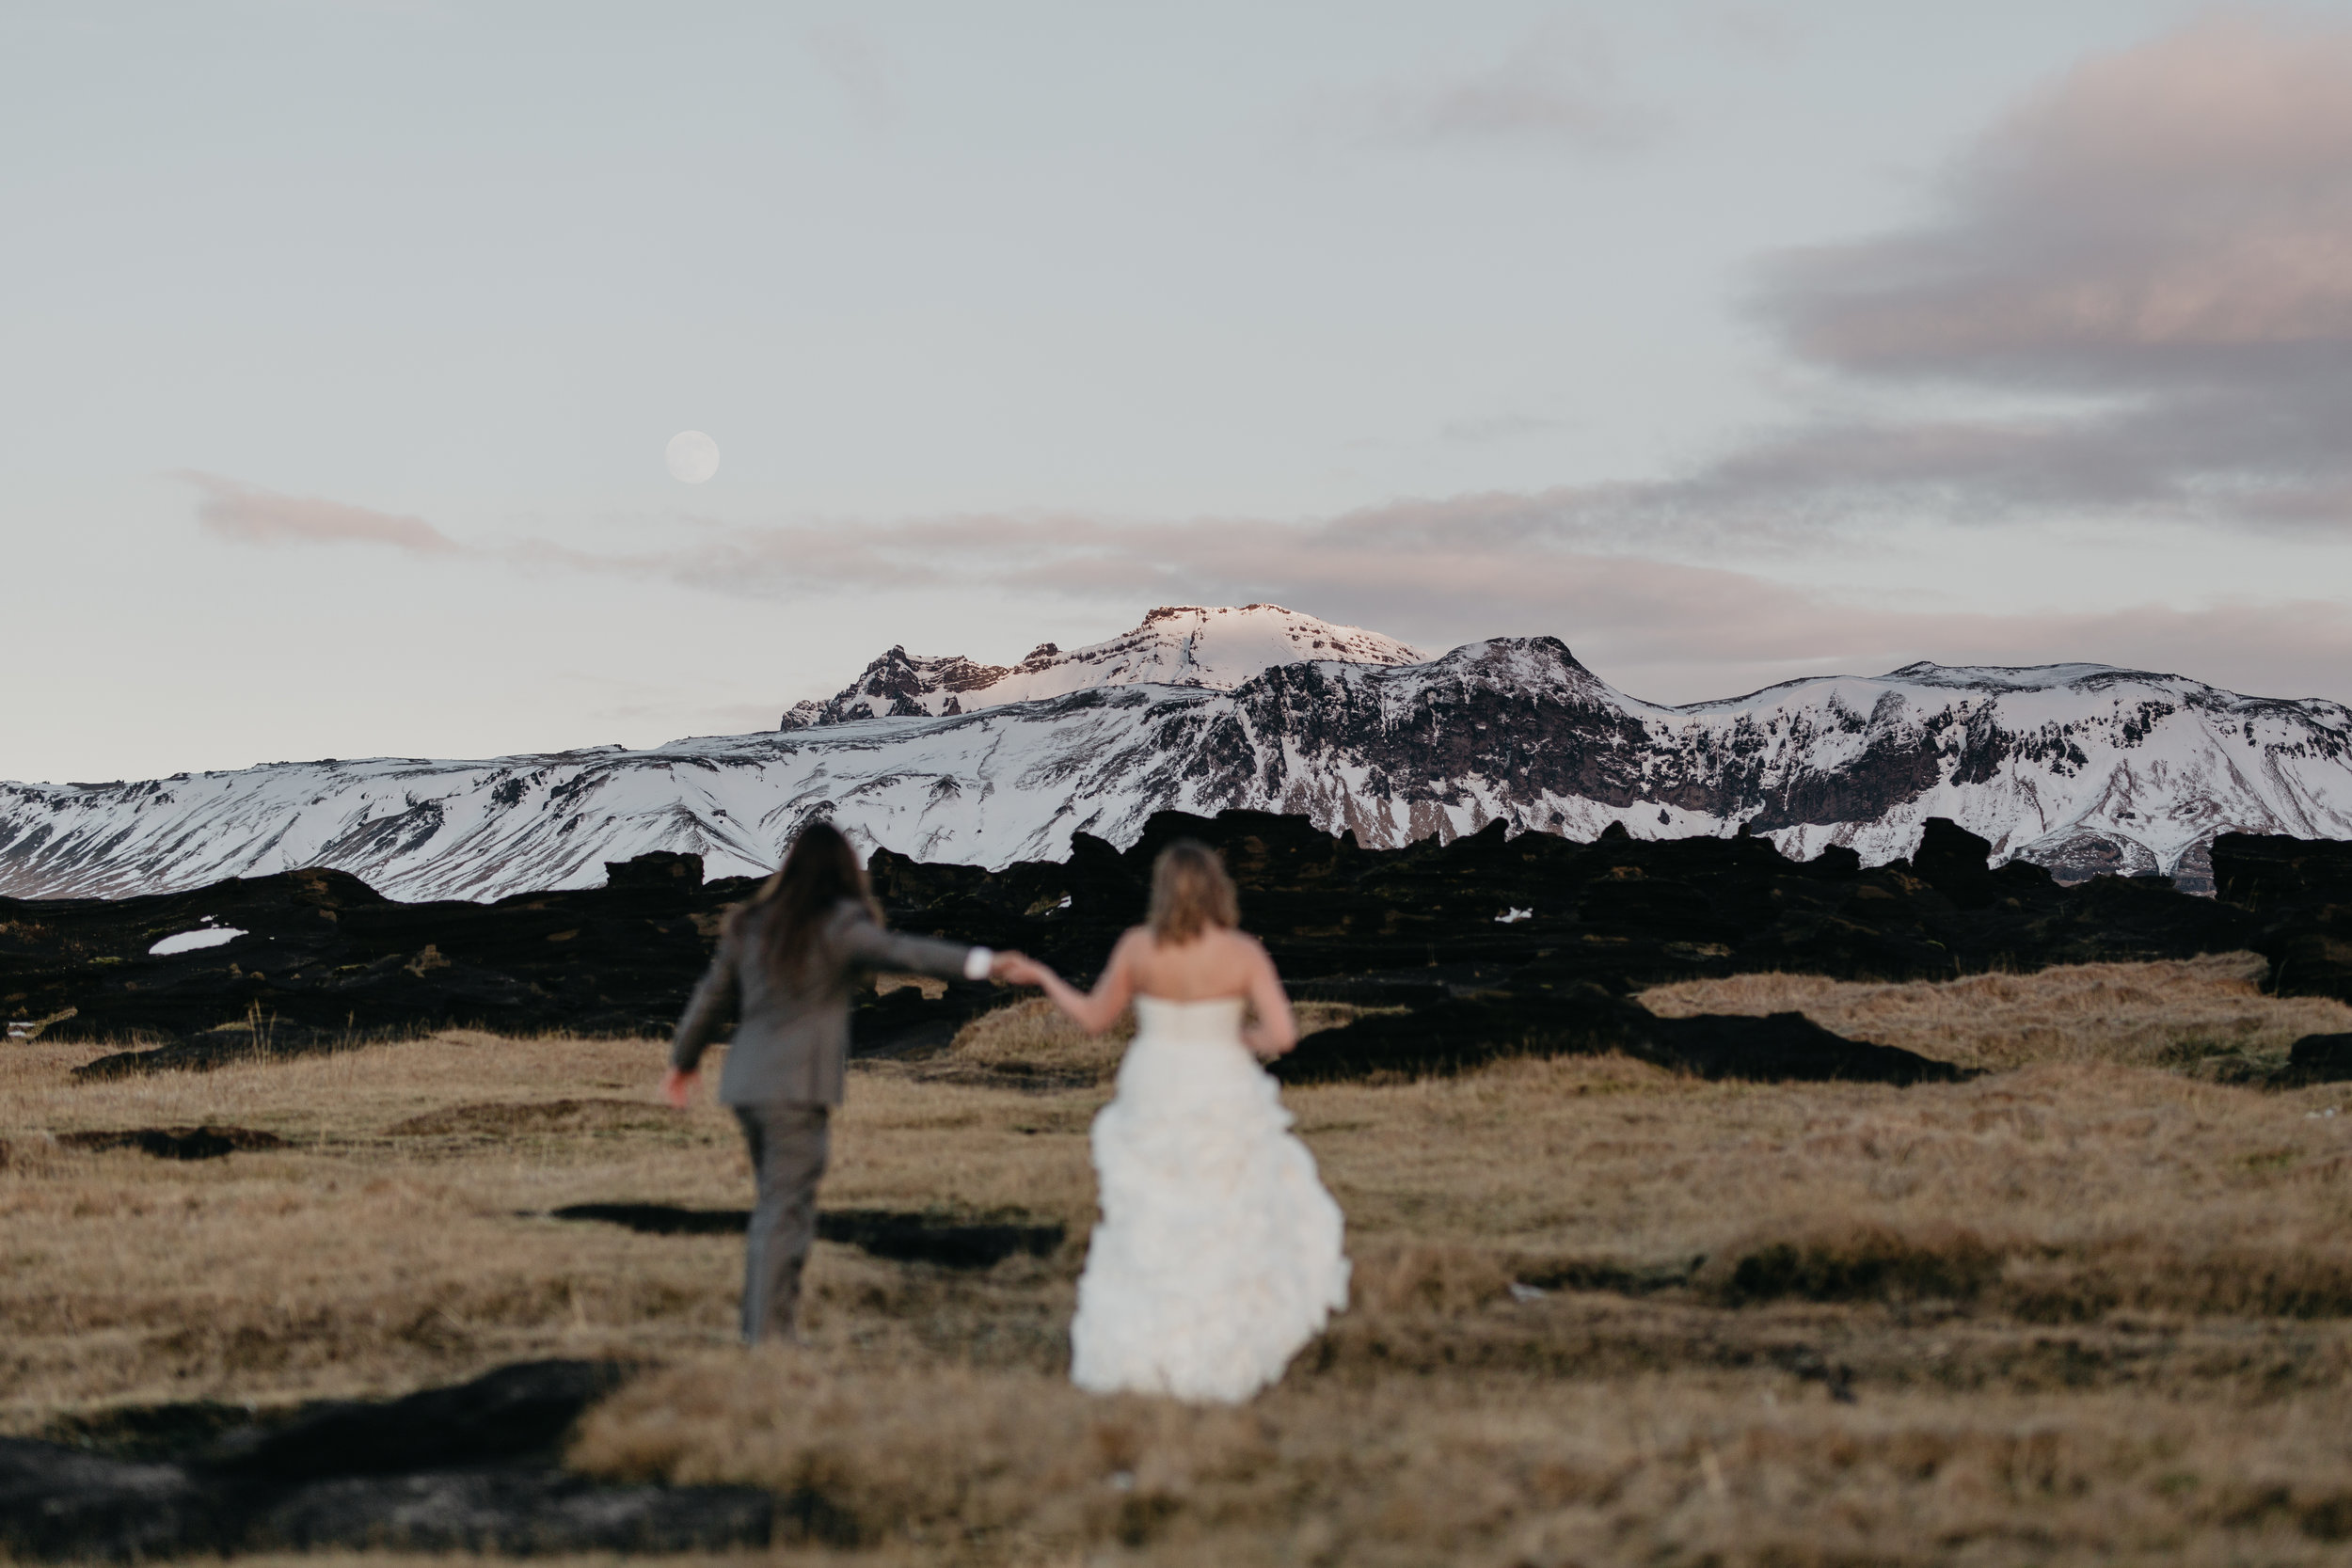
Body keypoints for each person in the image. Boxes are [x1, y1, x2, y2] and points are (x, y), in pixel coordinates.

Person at [999, 839, 1349, 1402]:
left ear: (1161, 891)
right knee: (1222, 1204)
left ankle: (1153, 1343)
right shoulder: (1242, 954)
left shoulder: (1139, 947)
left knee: (1156, 1206)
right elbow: (1284, 1036)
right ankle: (1224, 1333)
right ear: (1218, 889)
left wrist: (1043, 976)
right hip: (1222, 1081)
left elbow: (1092, 1018)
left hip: (1155, 1081)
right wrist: (1238, 1039)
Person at [663, 820, 1017, 1345]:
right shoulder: (838, 924)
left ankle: (769, 1330)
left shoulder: (752, 924)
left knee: (774, 1206)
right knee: (786, 1214)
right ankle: (766, 1342)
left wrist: (683, 1062)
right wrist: (986, 961)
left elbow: (711, 999)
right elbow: (907, 954)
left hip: (745, 1086)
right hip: (797, 1090)